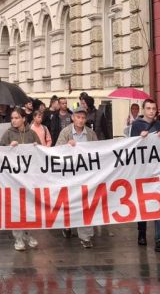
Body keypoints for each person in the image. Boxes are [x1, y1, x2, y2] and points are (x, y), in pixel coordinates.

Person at [131, 98, 160, 254]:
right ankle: (142, 232)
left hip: (158, 170)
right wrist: (140, 138)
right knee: (143, 202)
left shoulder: (158, 125)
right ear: (144, 109)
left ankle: (159, 238)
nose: (151, 111)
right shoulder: (136, 125)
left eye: (153, 108)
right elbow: (131, 145)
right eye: (148, 108)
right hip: (142, 170)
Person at [0, 107, 41, 251]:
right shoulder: (8, 133)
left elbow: (42, 152)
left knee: (30, 207)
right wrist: (9, 147)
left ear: (24, 119)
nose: (14, 120)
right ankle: (18, 238)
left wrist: (37, 147)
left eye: (16, 118)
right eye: (12, 118)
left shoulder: (32, 134)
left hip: (29, 178)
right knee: (17, 207)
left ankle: (29, 234)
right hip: (14, 178)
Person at [56, 105, 98, 248]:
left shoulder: (91, 134)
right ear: (73, 118)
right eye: (78, 117)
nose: (80, 120)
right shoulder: (66, 132)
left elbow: (98, 152)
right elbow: (56, 151)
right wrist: (67, 145)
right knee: (70, 203)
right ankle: (67, 225)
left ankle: (85, 237)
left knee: (86, 204)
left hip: (86, 176)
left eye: (83, 117)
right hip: (70, 175)